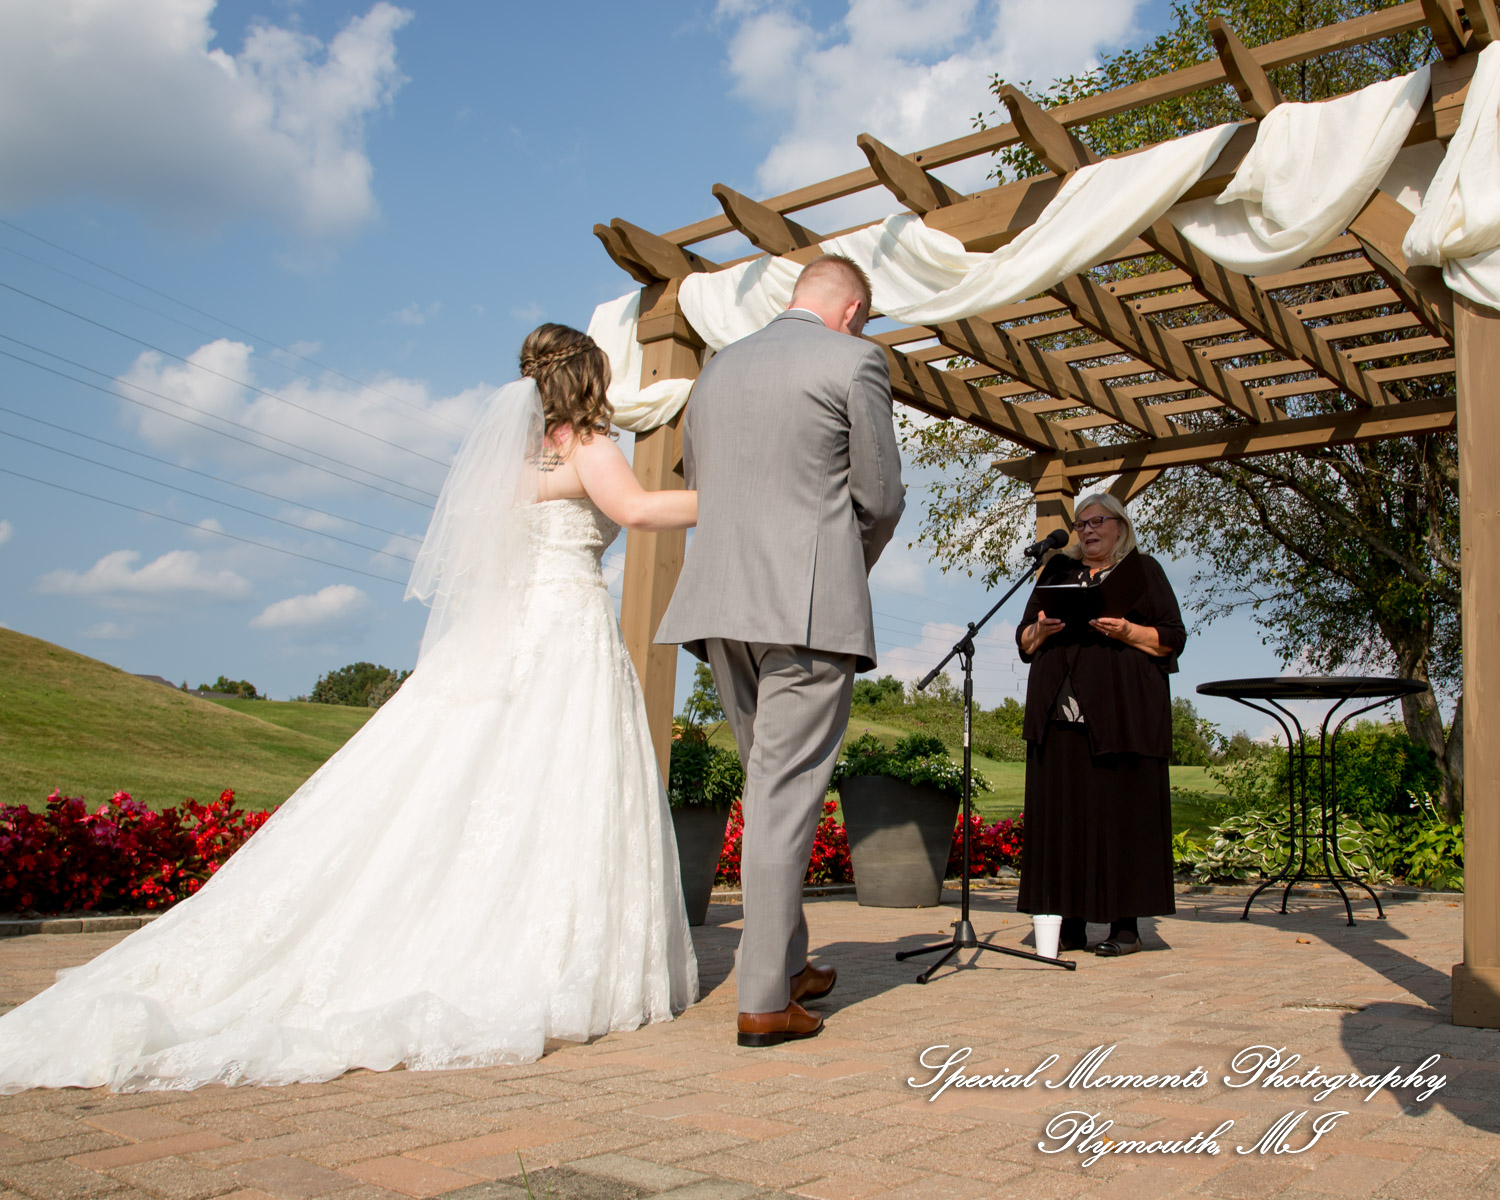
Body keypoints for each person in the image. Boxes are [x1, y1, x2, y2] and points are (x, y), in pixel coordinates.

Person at [0, 324, 700, 1092]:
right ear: (588, 379)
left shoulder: (509, 461)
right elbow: (634, 511)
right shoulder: (592, 446)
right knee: (560, 784)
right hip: (566, 633)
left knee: (478, 781)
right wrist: (728, 498)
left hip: (504, 637)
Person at [656, 255, 905, 1046]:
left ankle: (790, 961)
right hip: (805, 611)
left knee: (771, 791)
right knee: (783, 796)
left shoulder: (717, 370)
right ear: (853, 310)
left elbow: (705, 480)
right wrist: (838, 565)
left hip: (719, 608)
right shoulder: (856, 359)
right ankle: (765, 1000)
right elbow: (881, 496)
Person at [1015, 493, 1185, 957]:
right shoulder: (1056, 572)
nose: (1087, 530)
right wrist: (1040, 632)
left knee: (1118, 819)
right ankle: (1066, 923)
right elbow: (1024, 639)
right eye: (1080, 523)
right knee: (1066, 819)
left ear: (1120, 526)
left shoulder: (1142, 571)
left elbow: (1172, 638)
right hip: (1059, 716)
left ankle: (1125, 927)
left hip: (1121, 718)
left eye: (1097, 521)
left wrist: (1127, 631)